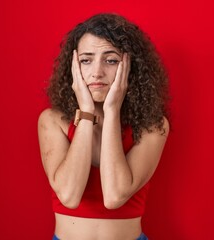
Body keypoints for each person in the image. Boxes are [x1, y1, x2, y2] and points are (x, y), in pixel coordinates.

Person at [38, 13, 170, 240]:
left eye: (110, 60)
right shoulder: (52, 120)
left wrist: (111, 112)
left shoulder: (153, 126)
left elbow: (114, 196)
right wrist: (87, 112)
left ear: (131, 67)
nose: (97, 72)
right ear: (73, 66)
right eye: (86, 60)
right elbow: (69, 196)